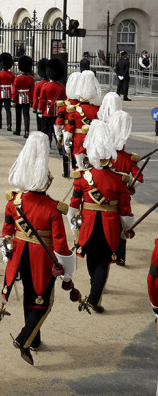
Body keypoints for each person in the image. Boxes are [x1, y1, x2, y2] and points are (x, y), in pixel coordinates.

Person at [0, 132, 74, 365]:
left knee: (30, 296)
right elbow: (60, 244)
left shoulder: (14, 202)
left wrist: (8, 254)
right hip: (42, 258)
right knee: (44, 301)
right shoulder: (53, 208)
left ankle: (35, 338)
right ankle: (24, 339)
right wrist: (67, 272)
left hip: (19, 253)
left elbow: (6, 233)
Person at [68, 120, 133, 313]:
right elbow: (125, 209)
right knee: (103, 261)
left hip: (88, 223)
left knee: (92, 256)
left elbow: (74, 204)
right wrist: (127, 227)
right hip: (110, 224)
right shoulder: (119, 179)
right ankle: (94, 299)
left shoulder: (82, 177)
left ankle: (94, 289)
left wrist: (73, 224)